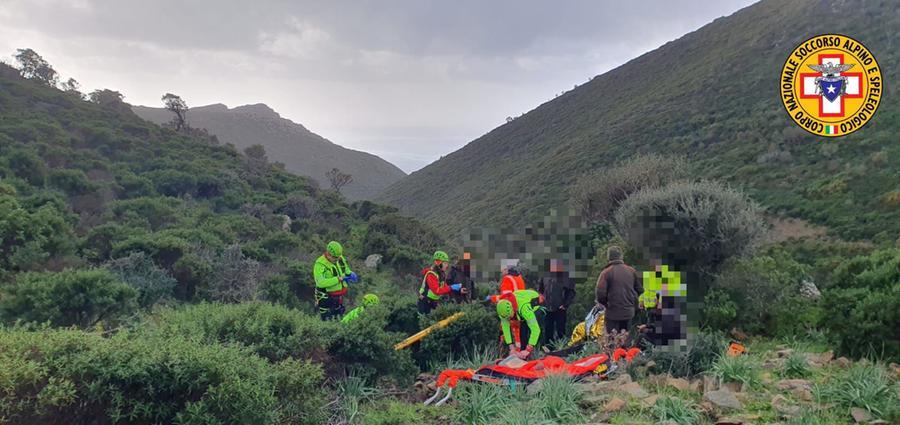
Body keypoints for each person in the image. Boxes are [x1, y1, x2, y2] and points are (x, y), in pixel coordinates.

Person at [595, 246, 642, 334]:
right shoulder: (631, 271)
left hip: (612, 314)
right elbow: (640, 290)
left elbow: (600, 294)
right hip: (629, 313)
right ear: (621, 256)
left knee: (612, 338)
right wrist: (632, 301)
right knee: (625, 337)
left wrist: (607, 305)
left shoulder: (606, 272)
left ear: (609, 257)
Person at [313, 241, 358, 320]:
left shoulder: (339, 258)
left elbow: (345, 268)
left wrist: (350, 273)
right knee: (326, 319)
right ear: (328, 254)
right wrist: (338, 279)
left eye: (338, 257)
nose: (336, 259)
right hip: (326, 298)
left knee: (339, 317)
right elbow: (320, 283)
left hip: (339, 297)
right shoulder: (320, 264)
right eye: (334, 257)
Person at [496, 289, 545, 359]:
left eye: (509, 317)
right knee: (523, 333)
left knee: (531, 330)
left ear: (512, 309)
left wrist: (529, 349)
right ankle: (523, 355)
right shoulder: (502, 309)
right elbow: (505, 327)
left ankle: (540, 351)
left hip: (536, 306)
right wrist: (511, 347)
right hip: (521, 308)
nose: (509, 319)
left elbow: (536, 330)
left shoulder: (524, 308)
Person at [538, 259, 576, 344]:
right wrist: (541, 297)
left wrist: (565, 305)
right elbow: (540, 289)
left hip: (560, 308)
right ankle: (548, 348)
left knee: (560, 330)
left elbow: (571, 292)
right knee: (548, 329)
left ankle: (562, 347)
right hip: (547, 307)